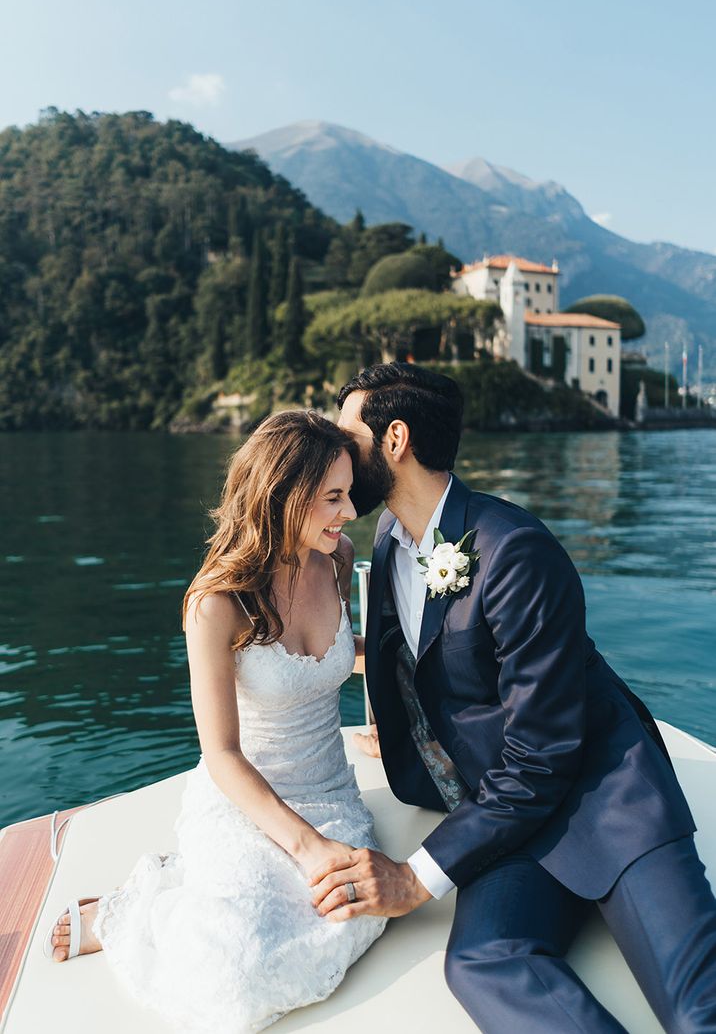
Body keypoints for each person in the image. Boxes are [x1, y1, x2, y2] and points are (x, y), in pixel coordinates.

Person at [309, 361, 716, 1033]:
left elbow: (545, 752)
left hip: (604, 796)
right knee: (482, 961)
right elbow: (420, 658)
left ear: (395, 440)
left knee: (698, 1008)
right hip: (510, 817)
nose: (334, 449)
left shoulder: (515, 552)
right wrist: (411, 732)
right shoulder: (385, 543)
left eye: (346, 432)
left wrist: (415, 879)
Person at [44, 410, 387, 1033]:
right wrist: (308, 849)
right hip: (244, 801)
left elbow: (343, 653)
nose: (349, 513)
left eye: (348, 495)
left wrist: (418, 683)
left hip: (331, 795)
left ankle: (180, 888)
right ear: (284, 495)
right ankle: (129, 913)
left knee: (348, 919)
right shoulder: (217, 601)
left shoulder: (336, 559)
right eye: (333, 497)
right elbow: (222, 754)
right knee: (240, 969)